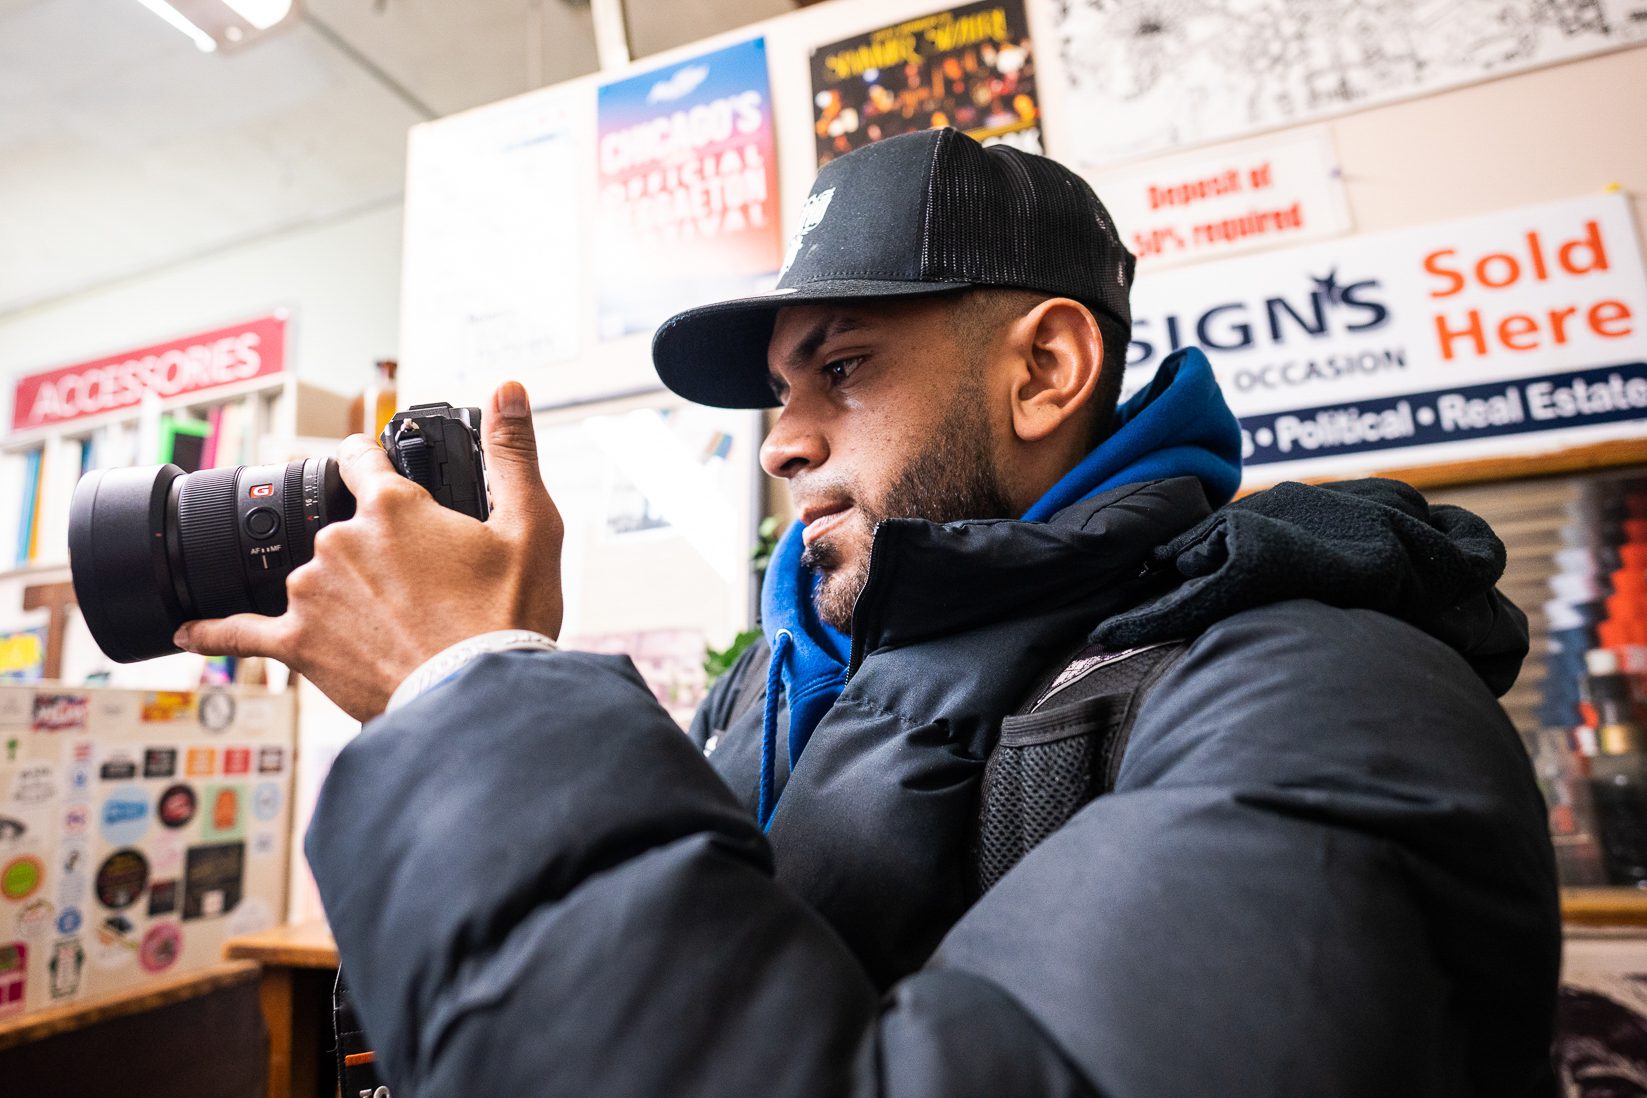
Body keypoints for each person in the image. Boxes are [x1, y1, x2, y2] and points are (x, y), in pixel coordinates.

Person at [177, 129, 1560, 1096]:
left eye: (842, 366)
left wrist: (469, 697)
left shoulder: (1325, 691)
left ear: (1047, 369)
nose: (785, 441)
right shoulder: (773, 685)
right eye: (782, 391)